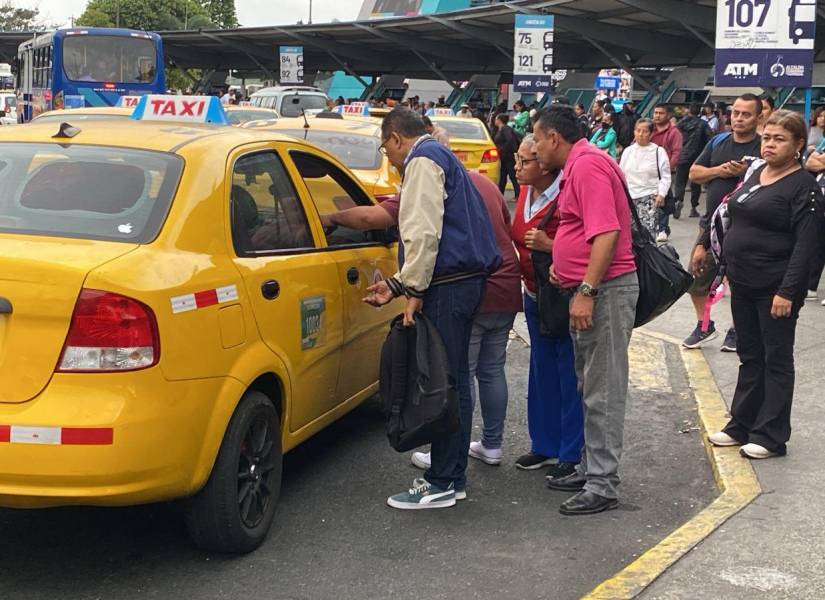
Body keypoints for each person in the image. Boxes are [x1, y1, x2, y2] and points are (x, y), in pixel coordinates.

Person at [364, 108, 501, 510]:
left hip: (448, 287)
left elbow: (423, 232)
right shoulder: (441, 157)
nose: (387, 157)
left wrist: (414, 290)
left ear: (394, 138)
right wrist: (397, 285)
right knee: (453, 378)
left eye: (384, 147)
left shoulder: (422, 160)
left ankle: (443, 479)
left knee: (446, 381)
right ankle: (450, 474)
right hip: (460, 283)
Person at [534, 106, 638, 516]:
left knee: (603, 389)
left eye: (538, 139)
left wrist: (588, 289)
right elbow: (584, 230)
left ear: (554, 138)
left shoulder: (588, 166)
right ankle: (593, 468)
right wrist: (568, 265)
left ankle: (603, 484)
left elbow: (607, 231)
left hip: (606, 292)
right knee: (588, 385)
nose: (536, 147)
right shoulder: (580, 165)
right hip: (590, 288)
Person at [702, 110, 824, 459]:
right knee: (750, 355)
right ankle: (741, 424)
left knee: (776, 359)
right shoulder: (757, 174)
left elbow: (807, 245)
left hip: (776, 288)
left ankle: (771, 435)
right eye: (767, 138)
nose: (770, 144)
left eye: (779, 139)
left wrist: (787, 291)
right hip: (744, 282)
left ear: (799, 144)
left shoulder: (804, 188)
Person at [510, 134, 583, 477]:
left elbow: (588, 244)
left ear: (545, 163)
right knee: (541, 372)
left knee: (569, 372)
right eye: (517, 159)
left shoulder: (568, 192)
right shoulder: (525, 191)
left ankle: (570, 451)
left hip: (563, 294)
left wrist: (549, 245)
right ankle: (544, 445)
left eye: (525, 160)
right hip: (534, 293)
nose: (518, 167)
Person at [684, 93, 763, 351]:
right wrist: (720, 170)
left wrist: (748, 173)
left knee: (740, 283)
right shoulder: (718, 142)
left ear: (758, 117)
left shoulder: (763, 147)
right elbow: (694, 173)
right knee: (696, 278)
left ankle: (737, 330)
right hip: (711, 226)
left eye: (746, 114)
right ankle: (704, 325)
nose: (739, 118)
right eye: (736, 113)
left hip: (747, 229)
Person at [619, 118, 671, 236]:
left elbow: (665, 176)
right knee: (629, 233)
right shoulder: (628, 151)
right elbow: (621, 174)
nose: (641, 134)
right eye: (638, 131)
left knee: (647, 233)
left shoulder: (658, 151)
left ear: (651, 133)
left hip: (649, 198)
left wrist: (661, 194)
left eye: (645, 131)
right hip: (629, 197)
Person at [650, 104, 683, 241]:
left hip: (664, 172)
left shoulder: (674, 133)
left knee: (662, 199)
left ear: (668, 115)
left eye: (661, 113)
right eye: (656, 112)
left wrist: (666, 170)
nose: (657, 115)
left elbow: (676, 152)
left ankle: (663, 228)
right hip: (648, 171)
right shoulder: (649, 129)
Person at [676, 103, 714, 218]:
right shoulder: (703, 124)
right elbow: (710, 140)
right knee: (696, 183)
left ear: (689, 110)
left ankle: (678, 200)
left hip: (682, 155)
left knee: (680, 181)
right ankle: (693, 208)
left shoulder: (680, 124)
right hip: (698, 157)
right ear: (699, 112)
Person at [494, 114, 521, 197]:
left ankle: (518, 194)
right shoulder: (500, 129)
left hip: (508, 156)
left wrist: (502, 150)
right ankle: (500, 194)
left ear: (499, 120)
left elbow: (510, 140)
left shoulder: (505, 129)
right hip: (503, 157)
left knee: (512, 175)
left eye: (496, 119)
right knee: (503, 176)